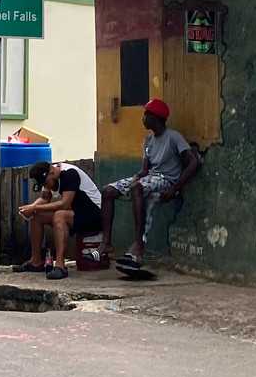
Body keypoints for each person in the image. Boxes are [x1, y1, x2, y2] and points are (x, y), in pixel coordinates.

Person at [96, 98, 199, 269]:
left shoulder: (173, 137)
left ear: (157, 117)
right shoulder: (148, 140)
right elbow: (145, 170)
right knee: (108, 191)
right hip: (150, 177)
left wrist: (175, 187)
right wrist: (135, 178)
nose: (143, 117)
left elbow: (193, 162)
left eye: (147, 113)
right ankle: (106, 243)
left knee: (137, 188)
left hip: (166, 180)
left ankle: (138, 246)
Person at [13, 160, 102, 280]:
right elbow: (45, 198)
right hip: (76, 213)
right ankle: (36, 261)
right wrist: (30, 209)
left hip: (94, 214)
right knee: (36, 216)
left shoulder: (69, 174)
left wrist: (34, 207)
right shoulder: (51, 178)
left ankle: (60, 265)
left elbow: (65, 204)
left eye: (47, 183)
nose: (47, 186)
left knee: (60, 216)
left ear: (52, 173)